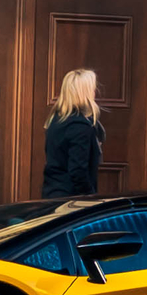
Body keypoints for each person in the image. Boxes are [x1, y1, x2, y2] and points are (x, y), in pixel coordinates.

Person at [42, 68, 105, 198]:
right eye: (92, 89)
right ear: (85, 93)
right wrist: (91, 197)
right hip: (71, 199)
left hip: (52, 191)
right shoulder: (80, 126)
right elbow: (78, 171)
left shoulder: (56, 119)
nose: (94, 92)